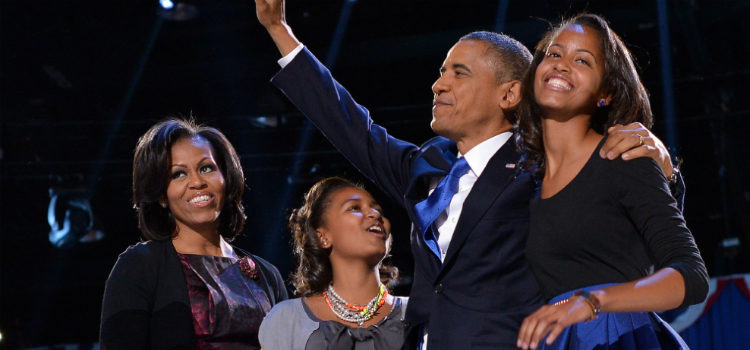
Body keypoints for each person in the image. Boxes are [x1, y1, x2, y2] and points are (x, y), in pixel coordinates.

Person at [254, 1, 681, 348]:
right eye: (442, 72)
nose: (439, 85)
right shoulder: (426, 165)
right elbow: (351, 127)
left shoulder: (545, 161)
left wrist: (662, 171)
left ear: (510, 93)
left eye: (459, 73)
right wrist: (280, 32)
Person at [515, 14, 708, 349]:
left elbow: (691, 276)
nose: (561, 65)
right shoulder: (524, 184)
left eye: (582, 61)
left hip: (617, 336)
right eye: (554, 54)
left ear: (605, 93)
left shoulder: (624, 158)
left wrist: (593, 300)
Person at [100, 118, 288, 349]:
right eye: (178, 174)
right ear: (161, 194)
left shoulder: (267, 275)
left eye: (206, 168)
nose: (197, 182)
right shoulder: (139, 266)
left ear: (226, 178)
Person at [259, 177, 408, 349]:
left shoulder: (418, 314)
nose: (375, 215)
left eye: (378, 210)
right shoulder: (287, 319)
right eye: (354, 208)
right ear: (323, 237)